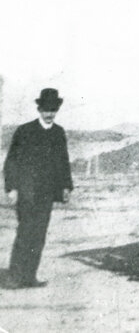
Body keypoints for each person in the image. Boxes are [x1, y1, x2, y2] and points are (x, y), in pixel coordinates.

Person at [4, 88, 73, 289]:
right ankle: (15, 277)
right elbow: (11, 161)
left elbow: (63, 162)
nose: (49, 113)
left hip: (46, 194)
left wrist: (66, 186)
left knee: (39, 235)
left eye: (53, 109)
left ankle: (30, 277)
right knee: (25, 233)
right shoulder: (25, 131)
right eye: (46, 109)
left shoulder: (58, 133)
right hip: (26, 192)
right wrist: (12, 188)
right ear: (39, 109)